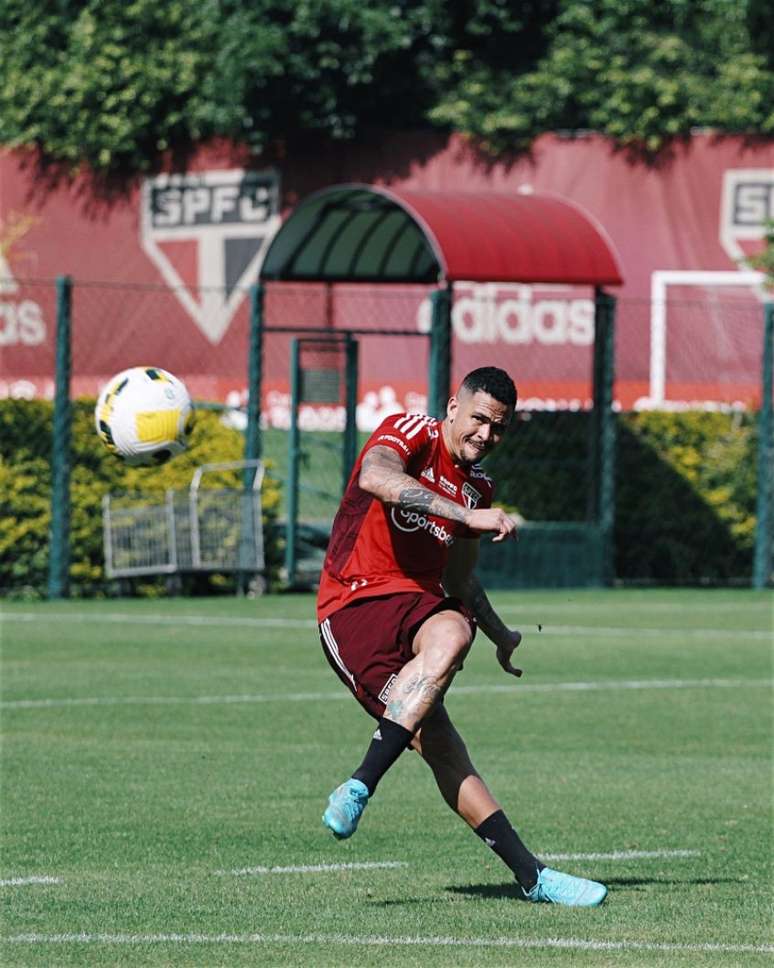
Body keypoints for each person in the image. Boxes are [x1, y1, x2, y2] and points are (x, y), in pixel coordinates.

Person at [317, 366, 607, 907]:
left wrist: (501, 633)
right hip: (353, 603)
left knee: (451, 698)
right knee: (443, 695)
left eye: (498, 428)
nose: (485, 436)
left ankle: (533, 878)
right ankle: (362, 782)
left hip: (419, 608)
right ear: (453, 408)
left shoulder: (479, 489)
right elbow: (376, 478)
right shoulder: (411, 432)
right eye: (478, 420)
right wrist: (463, 516)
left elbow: (457, 580)